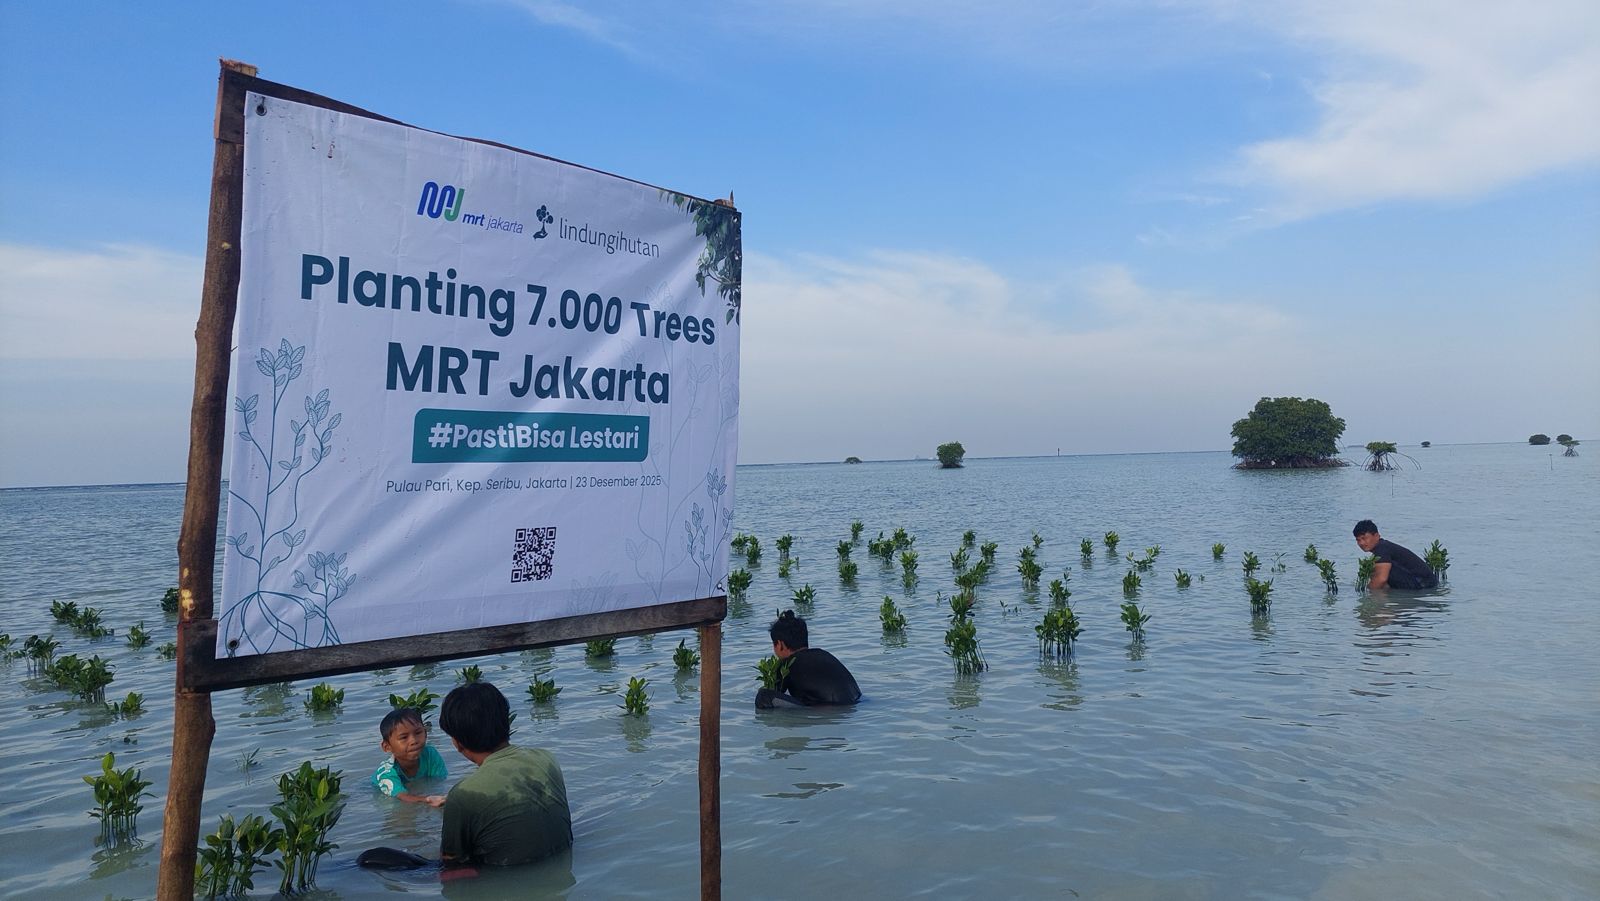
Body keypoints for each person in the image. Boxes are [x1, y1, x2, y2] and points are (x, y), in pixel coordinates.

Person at [437, 681, 572, 867]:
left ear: (457, 742)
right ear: (506, 721)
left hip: (506, 876)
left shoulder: (462, 795)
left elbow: (452, 866)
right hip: (563, 867)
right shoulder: (547, 758)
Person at [763, 609, 861, 706]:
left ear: (780, 644)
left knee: (764, 696)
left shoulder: (786, 665)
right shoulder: (824, 654)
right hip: (857, 703)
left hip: (831, 709)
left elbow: (774, 693)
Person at [370, 706, 448, 806]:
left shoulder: (430, 754)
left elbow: (440, 781)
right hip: (375, 790)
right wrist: (427, 800)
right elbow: (402, 797)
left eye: (418, 733)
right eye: (404, 737)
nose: (413, 741)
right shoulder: (386, 773)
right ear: (387, 747)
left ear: (425, 734)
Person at [1353, 519, 1439, 590]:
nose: (1361, 543)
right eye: (1358, 540)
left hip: (1423, 586)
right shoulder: (1383, 547)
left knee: (1378, 575)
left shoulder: (1382, 548)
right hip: (1426, 584)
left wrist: (1367, 593)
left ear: (1376, 536)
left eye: (1364, 538)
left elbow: (1381, 580)